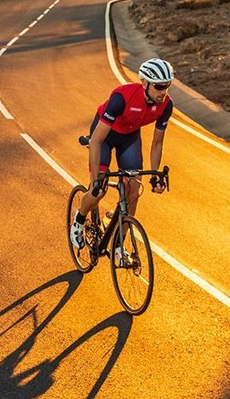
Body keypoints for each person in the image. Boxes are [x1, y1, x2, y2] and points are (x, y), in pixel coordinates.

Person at [70, 57, 174, 256]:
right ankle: (79, 219)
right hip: (105, 137)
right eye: (159, 86)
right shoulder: (122, 98)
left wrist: (155, 175)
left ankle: (119, 245)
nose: (164, 92)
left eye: (167, 86)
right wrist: (95, 182)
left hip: (129, 137)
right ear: (144, 83)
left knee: (133, 191)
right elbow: (96, 141)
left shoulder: (166, 105)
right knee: (97, 192)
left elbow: (157, 143)